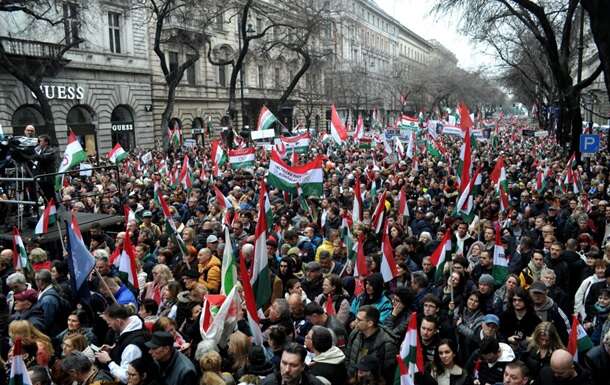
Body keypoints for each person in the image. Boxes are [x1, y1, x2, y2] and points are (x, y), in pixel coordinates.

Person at [95, 305, 149, 384]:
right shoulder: (135, 328)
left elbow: (127, 377)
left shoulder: (132, 346)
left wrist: (108, 361)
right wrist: (113, 349)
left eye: (109, 322)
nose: (109, 326)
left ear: (118, 321)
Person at [345, 305, 397, 384]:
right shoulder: (355, 333)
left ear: (370, 323)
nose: (355, 322)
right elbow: (348, 357)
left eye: (359, 320)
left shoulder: (387, 343)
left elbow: (388, 372)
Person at [33, 134, 58, 202]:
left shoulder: (51, 150)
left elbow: (42, 158)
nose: (39, 143)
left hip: (48, 178)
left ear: (46, 142)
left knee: (51, 196)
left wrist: (32, 152)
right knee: (45, 196)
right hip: (42, 177)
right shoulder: (39, 150)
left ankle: (56, 208)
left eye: (40, 141)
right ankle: (50, 209)